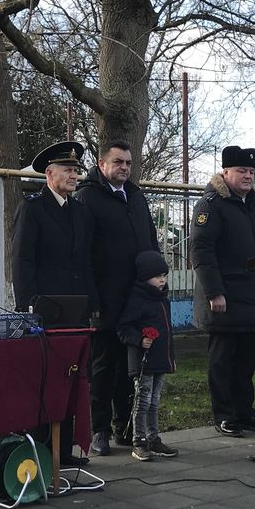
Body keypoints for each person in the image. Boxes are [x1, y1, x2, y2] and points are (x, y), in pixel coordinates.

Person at [11, 140, 97, 466]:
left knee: (71, 377)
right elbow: (22, 260)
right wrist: (27, 305)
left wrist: (92, 301)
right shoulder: (33, 208)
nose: (74, 175)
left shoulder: (79, 211)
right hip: (44, 309)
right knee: (44, 380)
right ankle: (41, 448)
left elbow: (86, 261)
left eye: (76, 170)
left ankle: (65, 448)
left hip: (75, 309)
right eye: (68, 170)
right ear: (49, 173)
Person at [74, 138, 159, 456]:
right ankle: (99, 431)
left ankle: (126, 427)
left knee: (132, 368)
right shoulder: (88, 199)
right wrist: (91, 300)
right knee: (103, 369)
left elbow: (150, 243)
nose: (124, 167)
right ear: (101, 164)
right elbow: (82, 255)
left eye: (128, 162)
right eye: (118, 162)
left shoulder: (136, 198)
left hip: (135, 301)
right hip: (104, 302)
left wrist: (156, 280)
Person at [190, 145, 255, 437]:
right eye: (241, 171)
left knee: (245, 362)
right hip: (224, 297)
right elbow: (201, 250)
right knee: (223, 361)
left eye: (252, 172)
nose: (248, 176)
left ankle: (244, 412)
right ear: (225, 172)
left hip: (252, 297)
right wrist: (215, 291)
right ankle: (224, 414)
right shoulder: (211, 205)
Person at [117, 250, 178, 461]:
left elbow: (167, 331)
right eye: (157, 276)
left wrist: (170, 357)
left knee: (155, 400)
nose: (162, 280)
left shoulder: (163, 300)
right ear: (145, 278)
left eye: (164, 276)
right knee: (142, 400)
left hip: (160, 359)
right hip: (143, 361)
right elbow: (124, 328)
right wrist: (139, 340)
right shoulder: (137, 300)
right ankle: (139, 440)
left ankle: (153, 437)